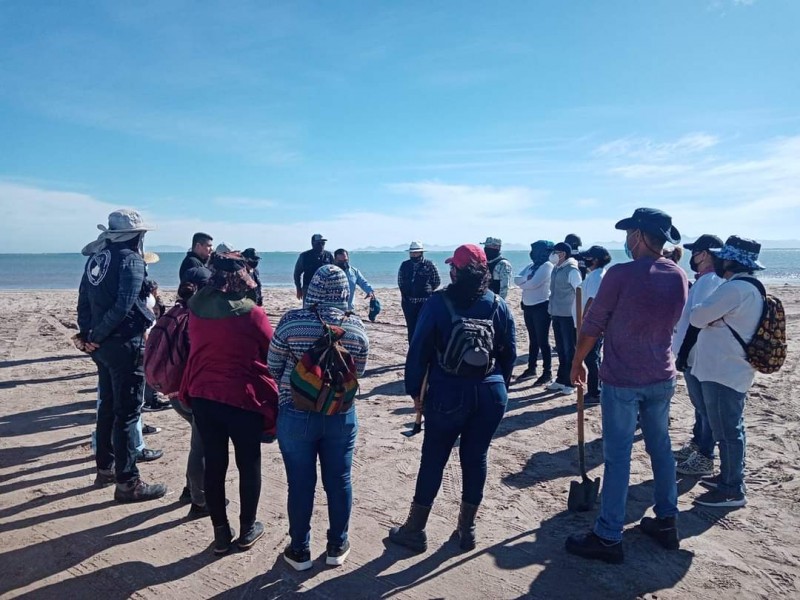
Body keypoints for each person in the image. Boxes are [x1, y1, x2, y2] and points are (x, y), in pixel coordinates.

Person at [566, 208, 687, 564]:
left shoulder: (620, 274)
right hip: (661, 375)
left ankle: (608, 535)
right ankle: (667, 520)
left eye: (630, 232)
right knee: (660, 449)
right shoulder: (678, 275)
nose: (627, 239)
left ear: (638, 235)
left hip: (623, 378)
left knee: (618, 456)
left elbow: (593, 323)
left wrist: (577, 362)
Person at [389, 244, 516, 553]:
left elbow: (418, 351)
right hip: (491, 392)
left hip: (448, 391)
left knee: (434, 457)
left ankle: (415, 530)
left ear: (457, 272)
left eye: (453, 268)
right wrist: (500, 386)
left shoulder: (438, 303)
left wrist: (414, 392)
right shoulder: (498, 305)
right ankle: (467, 530)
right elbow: (509, 353)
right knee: (476, 457)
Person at [267, 265, 370, 570]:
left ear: (311, 289)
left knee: (300, 483)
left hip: (296, 413)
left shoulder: (291, 321)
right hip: (340, 414)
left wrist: (299, 382)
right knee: (339, 480)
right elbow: (359, 371)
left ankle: (299, 550)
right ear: (343, 291)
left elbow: (273, 365)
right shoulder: (355, 328)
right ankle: (337, 546)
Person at [180, 252, 279, 554]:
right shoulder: (252, 313)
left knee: (214, 462)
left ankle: (221, 533)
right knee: (248, 463)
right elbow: (271, 352)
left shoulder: (195, 307)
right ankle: (248, 528)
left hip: (202, 395)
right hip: (241, 397)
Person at [76, 209, 167, 503]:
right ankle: (128, 481)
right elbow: (125, 306)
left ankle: (105, 466)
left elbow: (84, 301)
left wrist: (89, 335)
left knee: (108, 407)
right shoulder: (130, 260)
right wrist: (97, 336)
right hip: (123, 343)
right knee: (127, 412)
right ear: (136, 235)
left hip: (102, 345)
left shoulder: (97, 259)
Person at [688, 236, 766, 508]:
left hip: (724, 369)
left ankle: (732, 488)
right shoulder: (749, 287)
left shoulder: (734, 289)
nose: (719, 260)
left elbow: (696, 317)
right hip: (729, 368)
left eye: (723, 257)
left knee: (727, 431)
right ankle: (729, 478)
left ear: (731, 260)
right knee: (730, 428)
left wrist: (709, 315)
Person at [671, 234, 724, 477]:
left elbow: (697, 322)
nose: (693, 257)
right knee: (699, 406)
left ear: (705, 254)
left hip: (696, 355)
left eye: (696, 252)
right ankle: (697, 445)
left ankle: (705, 455)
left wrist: (683, 353)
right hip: (692, 354)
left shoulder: (709, 280)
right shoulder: (704, 279)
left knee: (704, 407)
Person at [514, 240, 555, 384]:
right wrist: (526, 280)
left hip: (541, 306)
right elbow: (517, 279)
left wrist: (525, 283)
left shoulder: (547, 266)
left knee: (543, 341)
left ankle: (547, 372)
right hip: (528, 306)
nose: (532, 253)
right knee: (533, 340)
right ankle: (531, 368)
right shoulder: (532, 266)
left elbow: (533, 284)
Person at [547, 242, 581, 395]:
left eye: (555, 252)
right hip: (556, 313)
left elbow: (578, 290)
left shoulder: (572, 270)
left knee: (569, 349)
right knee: (560, 348)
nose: (552, 255)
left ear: (562, 254)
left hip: (567, 315)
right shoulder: (557, 268)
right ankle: (561, 379)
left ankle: (571, 382)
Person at [579, 245, 612, 405]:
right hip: (591, 324)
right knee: (591, 358)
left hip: (592, 325)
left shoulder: (597, 276)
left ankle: (595, 391)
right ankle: (595, 389)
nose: (586, 260)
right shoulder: (594, 275)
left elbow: (592, 300)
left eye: (589, 257)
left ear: (596, 259)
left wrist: (584, 321)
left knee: (592, 358)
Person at [397, 241, 441, 342]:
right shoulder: (404, 265)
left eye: (416, 252)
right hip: (408, 303)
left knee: (425, 328)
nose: (414, 254)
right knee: (412, 329)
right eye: (412, 253)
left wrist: (427, 291)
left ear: (421, 253)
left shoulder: (430, 265)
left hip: (425, 303)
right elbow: (400, 282)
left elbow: (437, 281)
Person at [294, 234, 334, 300]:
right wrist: (298, 288)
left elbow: (334, 272)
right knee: (308, 308)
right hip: (309, 287)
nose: (321, 245)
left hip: (325, 288)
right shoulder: (304, 256)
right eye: (318, 243)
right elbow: (297, 273)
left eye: (323, 243)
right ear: (312, 243)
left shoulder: (328, 255)